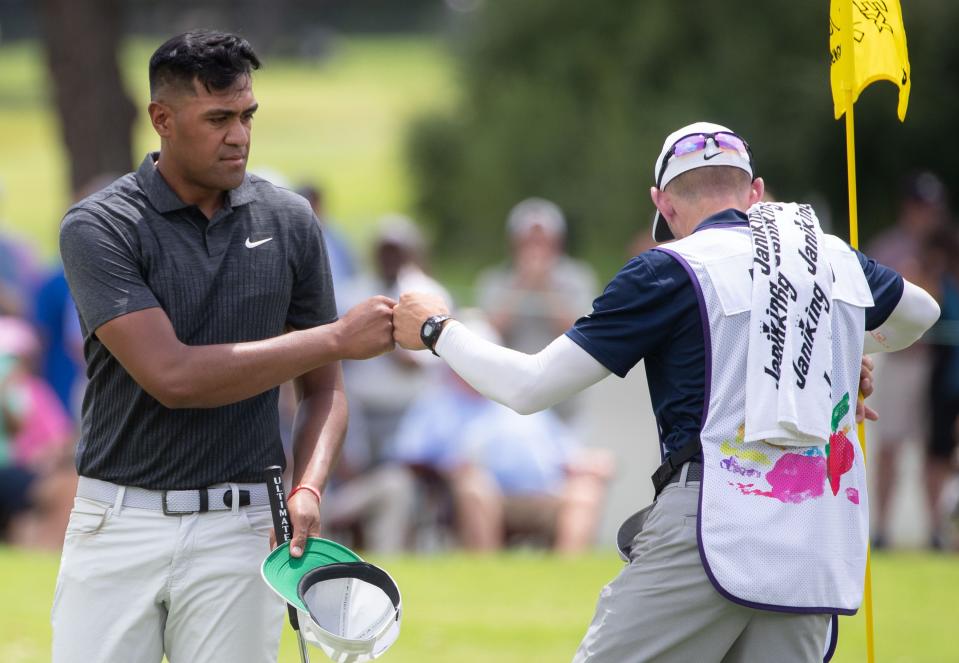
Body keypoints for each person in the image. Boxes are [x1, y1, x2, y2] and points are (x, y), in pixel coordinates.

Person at [393, 121, 941, 661]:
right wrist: (841, 347)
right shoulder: (832, 258)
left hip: (710, 521)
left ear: (665, 204)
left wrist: (436, 330)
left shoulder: (667, 269)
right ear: (753, 192)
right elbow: (921, 313)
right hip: (815, 533)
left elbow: (529, 386)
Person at [53, 31, 395, 663]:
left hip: (243, 531)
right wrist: (338, 337)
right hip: (116, 524)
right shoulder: (99, 226)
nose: (238, 135)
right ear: (162, 119)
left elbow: (325, 390)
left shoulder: (289, 221)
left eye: (246, 116)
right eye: (217, 119)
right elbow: (173, 376)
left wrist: (310, 489)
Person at [865, 171, 949, 548]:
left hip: (939, 363)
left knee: (937, 450)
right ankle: (881, 528)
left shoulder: (947, 248)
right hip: (900, 360)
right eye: (920, 208)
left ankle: (936, 530)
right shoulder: (888, 248)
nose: (926, 216)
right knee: (891, 445)